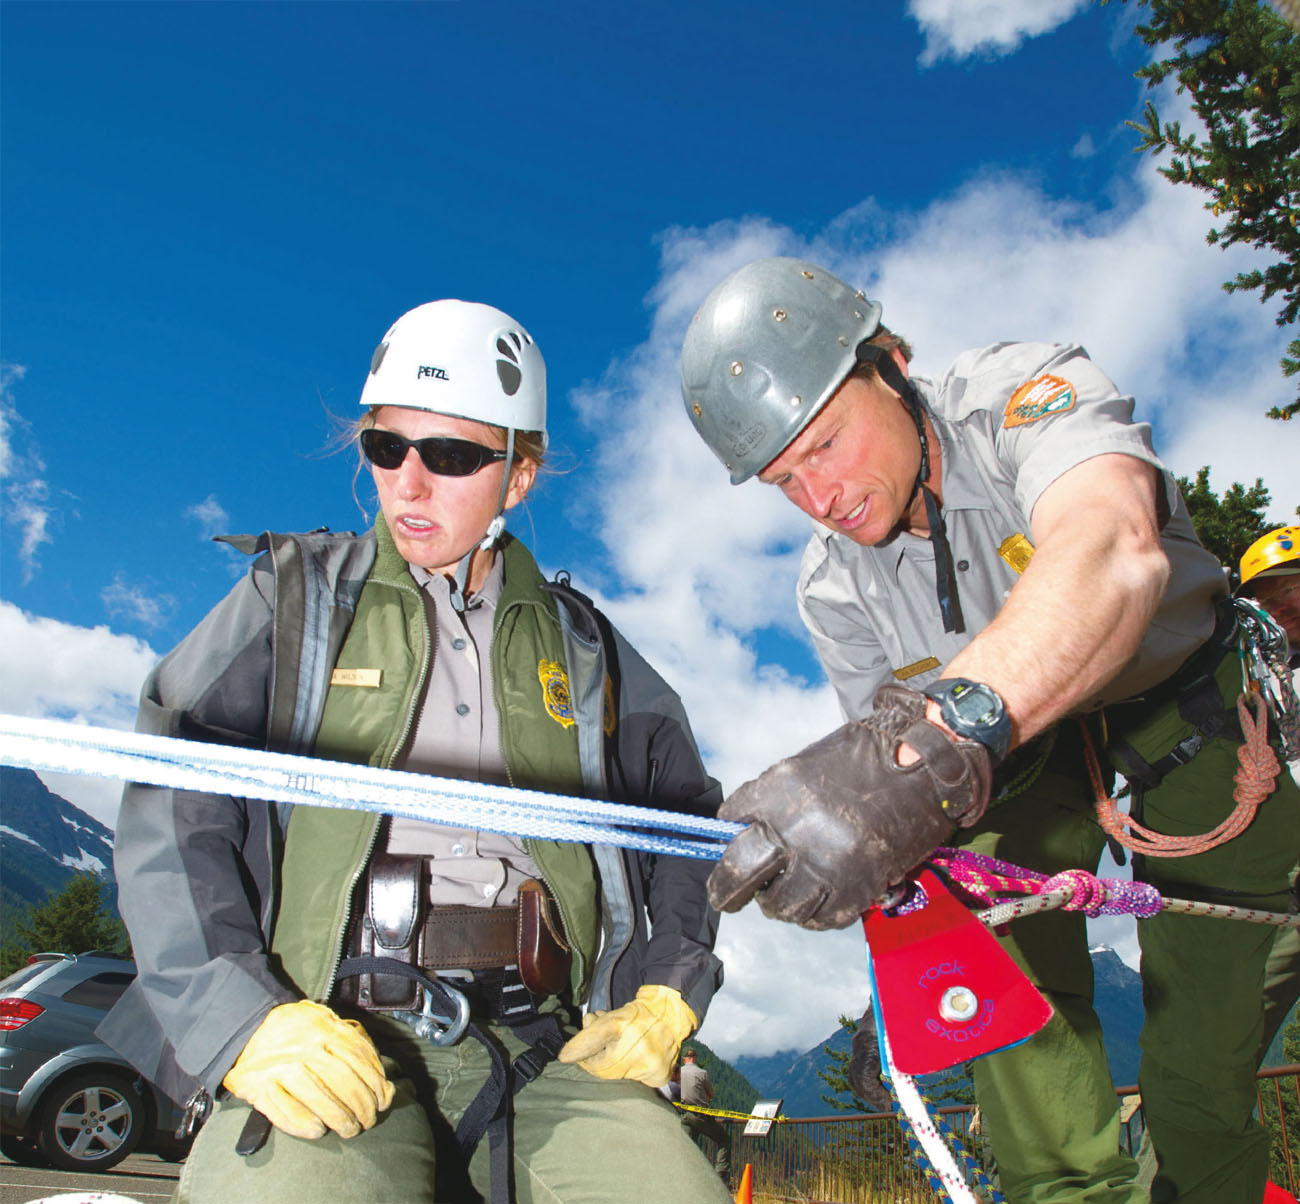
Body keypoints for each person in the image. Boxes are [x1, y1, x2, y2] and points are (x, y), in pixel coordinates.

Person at [677, 256, 1300, 1204]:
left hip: (1193, 710)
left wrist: (943, 726)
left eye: (828, 443)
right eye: (782, 479)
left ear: (887, 364)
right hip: (1015, 769)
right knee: (1002, 1001)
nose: (820, 497)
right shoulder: (832, 588)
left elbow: (1113, 550)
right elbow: (895, 796)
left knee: (1198, 1072)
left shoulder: (1022, 395)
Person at [99, 299, 734, 1204]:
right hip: (330, 1025)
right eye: (386, 447)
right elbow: (174, 809)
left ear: (520, 474)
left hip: (542, 1046)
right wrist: (242, 1020)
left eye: (452, 456)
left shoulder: (589, 653)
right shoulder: (292, 606)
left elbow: (687, 828)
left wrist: (669, 994)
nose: (408, 483)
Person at [678, 1048, 731, 1183]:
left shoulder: (679, 1073)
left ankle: (686, 1177)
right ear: (695, 1057)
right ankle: (720, 1175)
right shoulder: (702, 1073)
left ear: (683, 1059)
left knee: (688, 1146)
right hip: (701, 1115)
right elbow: (711, 1094)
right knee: (724, 1140)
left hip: (685, 1115)